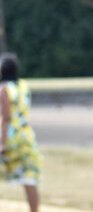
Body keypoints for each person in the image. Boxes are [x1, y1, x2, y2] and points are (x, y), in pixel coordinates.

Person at [0, 54, 41, 212]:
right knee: (29, 179)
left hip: (10, 138)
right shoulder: (24, 86)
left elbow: (6, 117)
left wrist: (2, 143)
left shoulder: (3, 89)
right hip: (26, 137)